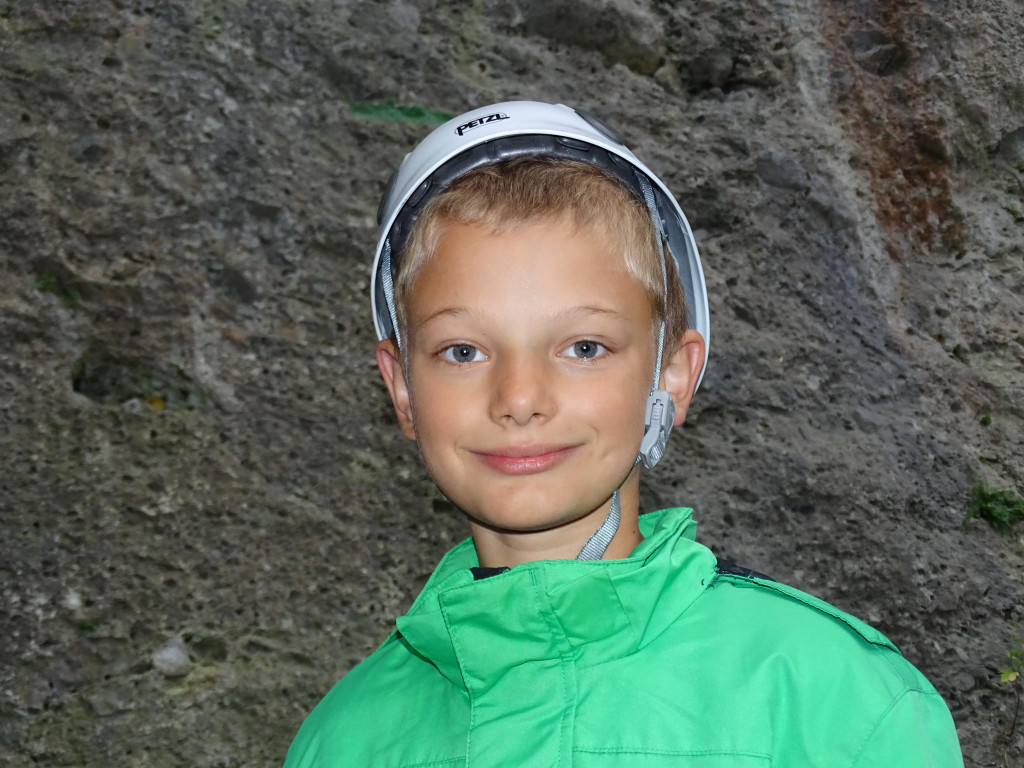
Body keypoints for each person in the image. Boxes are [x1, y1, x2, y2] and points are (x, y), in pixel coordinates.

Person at [284, 101, 963, 767]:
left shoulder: (835, 704)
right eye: (463, 351)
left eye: (584, 347)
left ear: (671, 376)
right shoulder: (342, 742)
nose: (519, 399)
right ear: (403, 388)